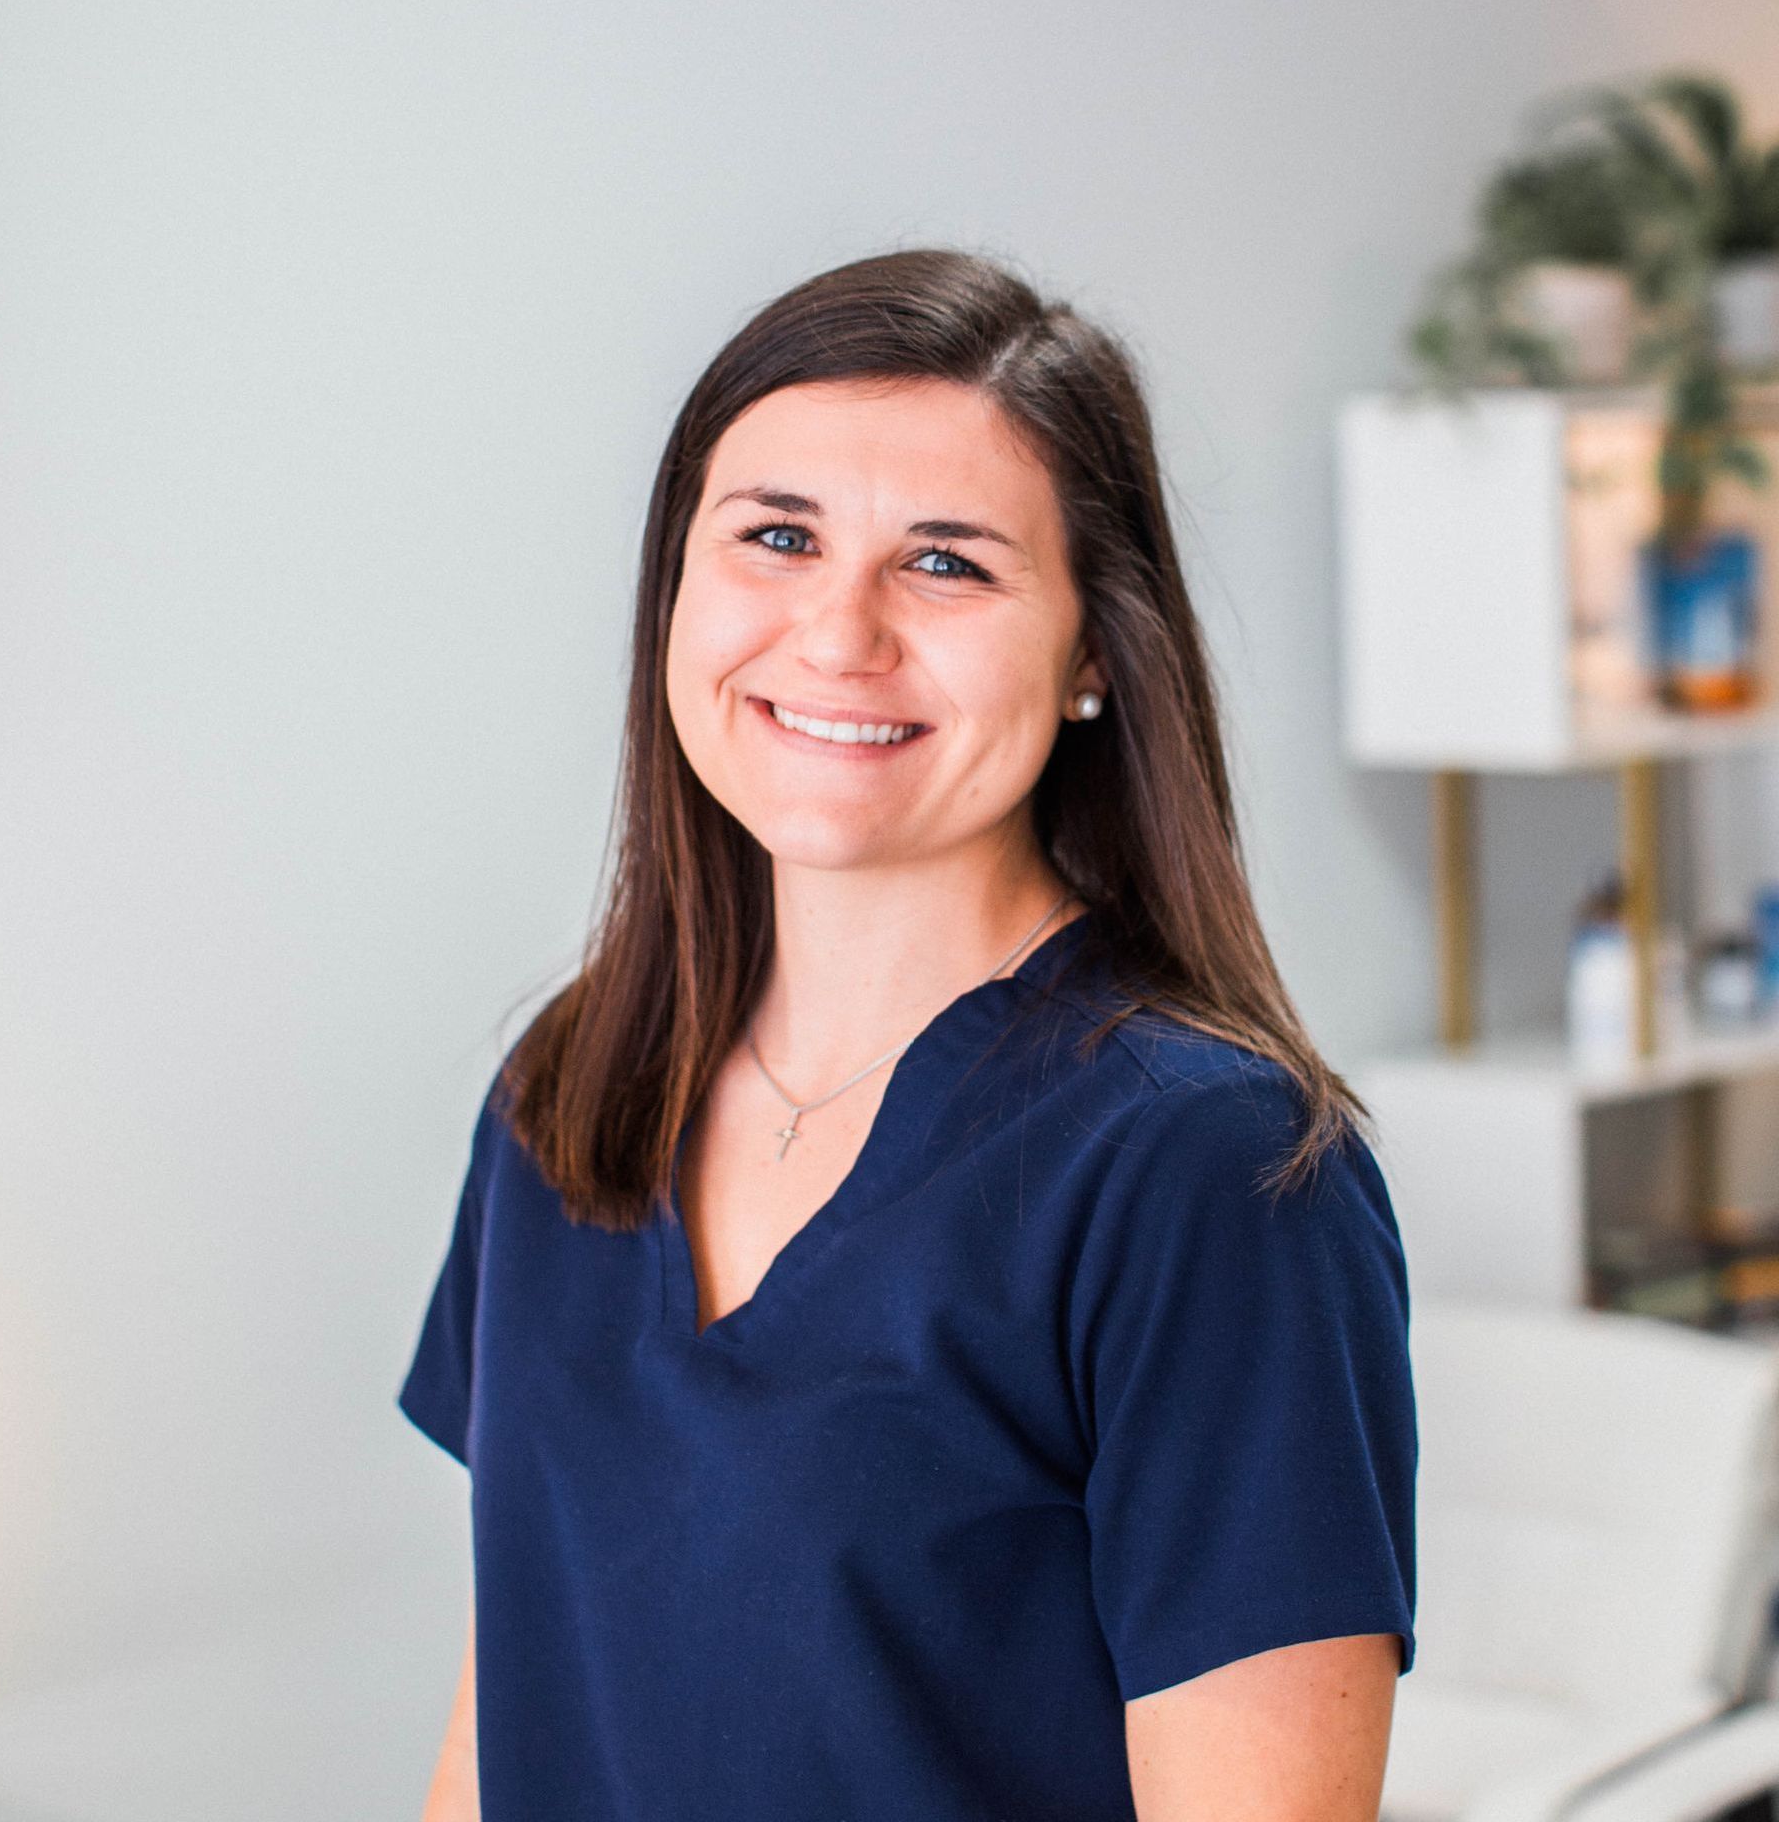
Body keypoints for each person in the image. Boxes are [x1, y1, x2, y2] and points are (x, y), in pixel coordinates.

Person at [398, 247, 1416, 1821]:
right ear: (680, 579)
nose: (840, 634)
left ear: (1093, 653)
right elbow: (510, 1711)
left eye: (948, 564)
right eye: (778, 537)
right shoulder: (568, 1088)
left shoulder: (1209, 1170)